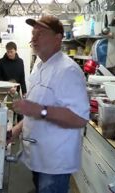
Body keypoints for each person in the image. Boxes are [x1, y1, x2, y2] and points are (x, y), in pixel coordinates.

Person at [11, 15, 89, 193]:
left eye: (41, 33)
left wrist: (39, 110)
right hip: (38, 159)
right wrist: (17, 129)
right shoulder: (39, 66)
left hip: (54, 164)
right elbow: (36, 109)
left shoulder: (68, 71)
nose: (34, 38)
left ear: (58, 38)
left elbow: (79, 118)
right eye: (33, 33)